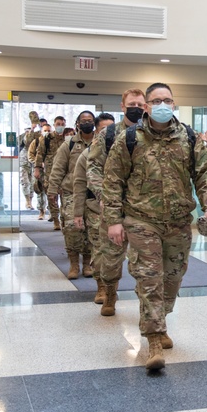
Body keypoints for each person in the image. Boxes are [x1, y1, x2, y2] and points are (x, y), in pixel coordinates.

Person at [102, 83, 207, 371]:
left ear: (174, 104)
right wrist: (114, 220)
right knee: (149, 278)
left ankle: (160, 319)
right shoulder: (129, 138)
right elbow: (112, 180)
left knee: (173, 278)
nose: (162, 105)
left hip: (179, 222)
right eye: (156, 101)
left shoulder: (189, 138)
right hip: (141, 220)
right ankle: (153, 339)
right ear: (147, 106)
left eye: (167, 100)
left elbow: (204, 174)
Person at [86, 88, 147, 315]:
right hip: (113, 207)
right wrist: (104, 196)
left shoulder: (153, 134)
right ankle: (109, 293)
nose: (137, 108)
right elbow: (92, 167)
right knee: (110, 258)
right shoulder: (109, 134)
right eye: (132, 104)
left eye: (141, 105)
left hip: (144, 209)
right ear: (123, 106)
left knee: (145, 260)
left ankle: (148, 305)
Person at [74, 112, 115, 309]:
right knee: (99, 251)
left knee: (116, 255)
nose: (108, 133)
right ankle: (101, 288)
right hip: (96, 210)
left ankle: (112, 289)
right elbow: (80, 184)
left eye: (111, 129)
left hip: (122, 211)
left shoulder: (126, 150)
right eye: (103, 130)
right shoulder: (86, 154)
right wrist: (76, 213)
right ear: (97, 132)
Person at [49, 110, 96, 280]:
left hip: (93, 193)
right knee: (71, 228)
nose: (87, 123)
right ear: (77, 124)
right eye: (83, 120)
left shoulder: (100, 142)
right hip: (71, 192)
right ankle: (74, 263)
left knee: (91, 229)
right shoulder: (69, 144)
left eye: (90, 120)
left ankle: (88, 263)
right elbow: (58, 168)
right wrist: (52, 190)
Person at [35, 116, 66, 230]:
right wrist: (37, 168)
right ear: (54, 125)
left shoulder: (67, 138)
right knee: (52, 197)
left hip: (64, 172)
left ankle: (64, 219)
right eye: (58, 124)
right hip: (50, 172)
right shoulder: (47, 138)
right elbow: (39, 154)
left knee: (65, 197)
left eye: (62, 124)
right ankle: (55, 220)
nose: (60, 126)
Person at [19, 110, 39, 210]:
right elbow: (26, 141)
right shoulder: (23, 137)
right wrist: (31, 129)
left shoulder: (37, 136)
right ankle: (27, 201)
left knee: (32, 184)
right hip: (24, 163)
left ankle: (30, 201)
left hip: (33, 163)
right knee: (25, 182)